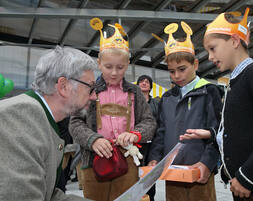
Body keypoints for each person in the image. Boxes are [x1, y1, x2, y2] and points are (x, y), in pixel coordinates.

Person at [180, 8, 253, 201]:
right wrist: (212, 134)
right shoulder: (236, 81)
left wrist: (248, 177)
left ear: (234, 41)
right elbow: (246, 127)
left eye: (213, 48)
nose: (210, 57)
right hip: (246, 185)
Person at [69, 18, 156, 201]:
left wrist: (135, 134)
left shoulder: (135, 92)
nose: (114, 72)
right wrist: (93, 140)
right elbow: (75, 123)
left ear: (128, 65)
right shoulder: (90, 90)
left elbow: (149, 122)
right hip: (94, 163)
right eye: (108, 67)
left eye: (120, 67)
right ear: (99, 63)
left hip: (128, 161)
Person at [0, 46, 97, 201]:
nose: (94, 97)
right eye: (91, 88)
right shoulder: (21, 115)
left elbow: (48, 194)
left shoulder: (40, 117)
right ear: (63, 86)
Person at [148, 21, 222, 201]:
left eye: (182, 69)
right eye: (171, 71)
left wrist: (207, 163)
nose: (176, 76)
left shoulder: (209, 91)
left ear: (195, 64)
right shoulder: (166, 98)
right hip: (172, 171)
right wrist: (155, 158)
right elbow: (161, 131)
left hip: (199, 170)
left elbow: (217, 132)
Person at [136, 74, 159, 201]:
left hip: (152, 144)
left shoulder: (155, 103)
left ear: (150, 86)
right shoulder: (133, 102)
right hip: (136, 144)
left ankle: (151, 197)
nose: (144, 83)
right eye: (141, 81)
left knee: (150, 175)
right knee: (136, 176)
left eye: (147, 82)